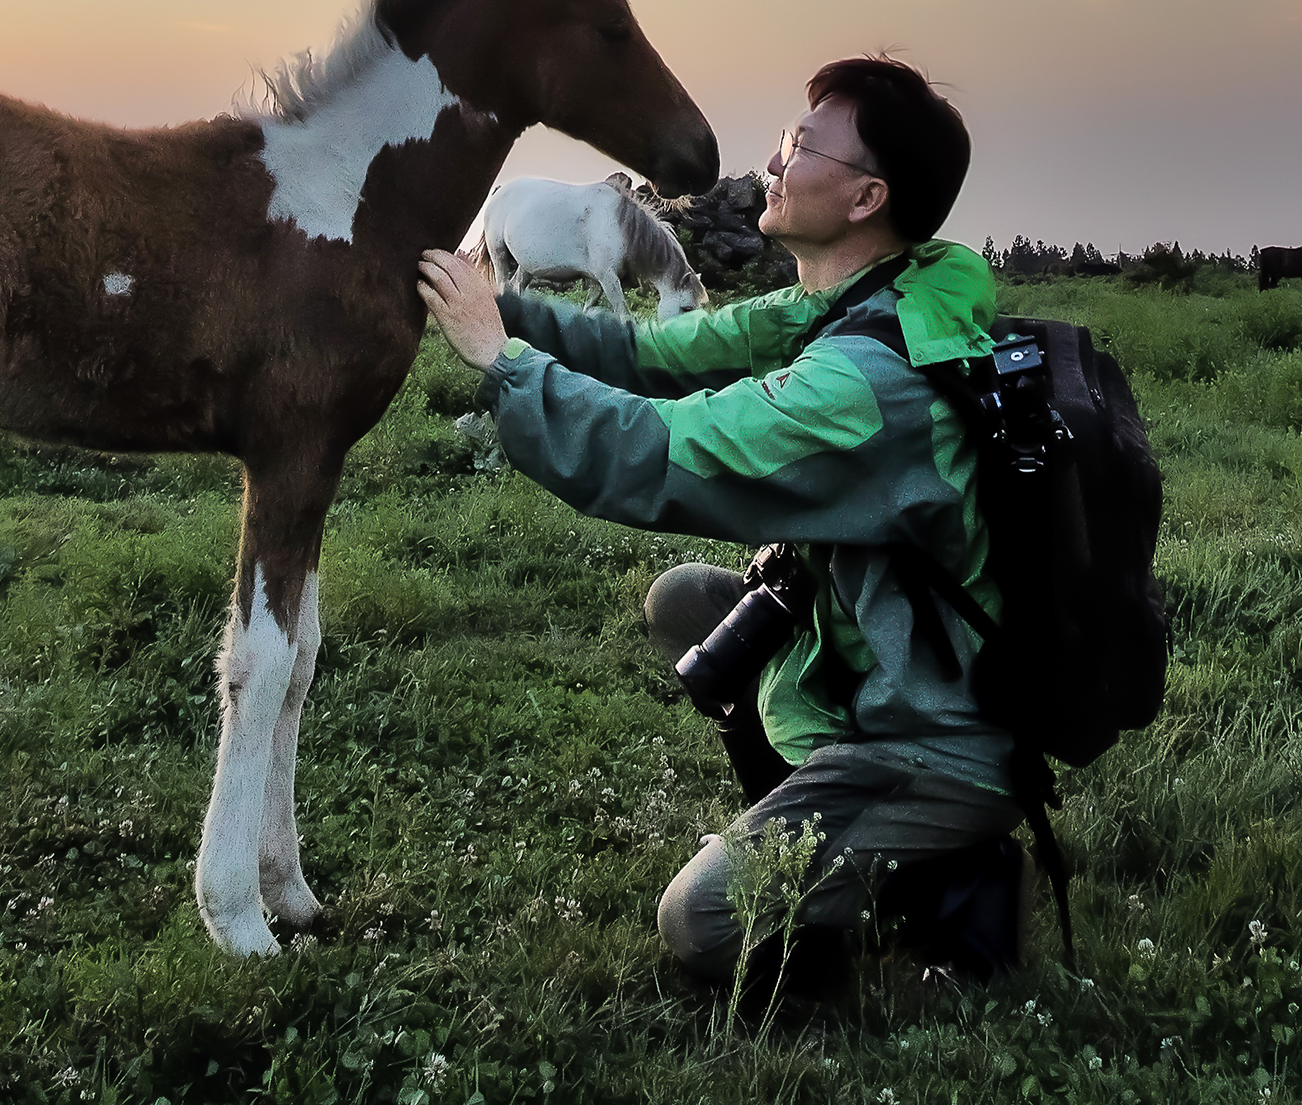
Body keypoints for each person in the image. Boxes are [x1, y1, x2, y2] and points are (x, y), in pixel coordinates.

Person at [417, 55, 1021, 993]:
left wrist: (499, 362)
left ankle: (938, 867)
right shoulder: (851, 301)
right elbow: (646, 354)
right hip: (877, 656)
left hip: (933, 731)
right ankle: (817, 810)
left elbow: (662, 451)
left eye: (799, 147)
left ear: (866, 197)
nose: (772, 163)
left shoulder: (866, 382)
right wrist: (498, 304)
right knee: (689, 603)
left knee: (700, 920)